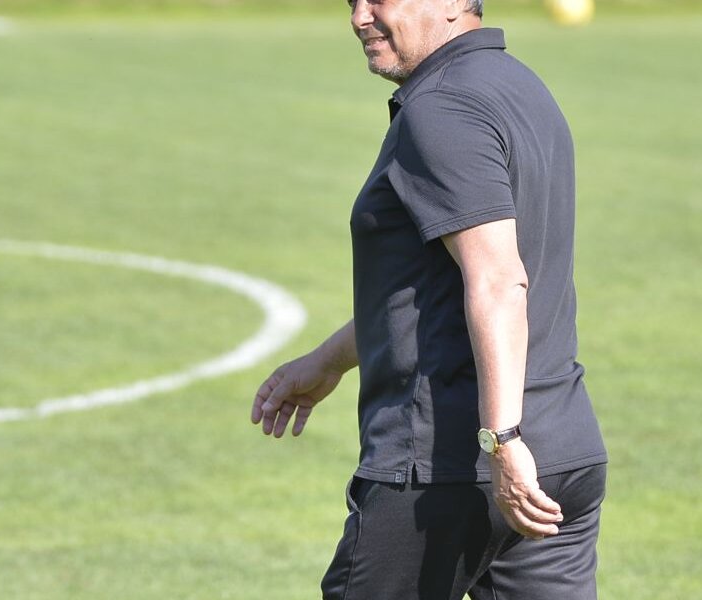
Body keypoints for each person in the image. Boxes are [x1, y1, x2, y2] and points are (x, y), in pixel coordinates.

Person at [251, 1, 607, 598]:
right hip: (562, 451)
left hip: (451, 464)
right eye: (352, 1)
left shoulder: (440, 107)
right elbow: (430, 289)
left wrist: (501, 440)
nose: (359, 17)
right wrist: (329, 361)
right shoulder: (519, 85)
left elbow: (498, 279)